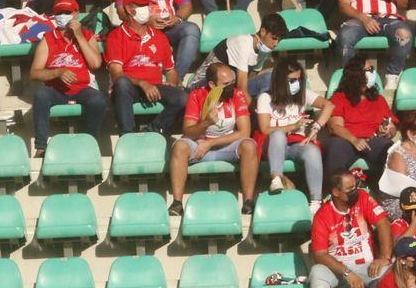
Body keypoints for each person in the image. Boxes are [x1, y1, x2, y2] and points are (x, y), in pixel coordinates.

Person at [170, 62, 259, 215]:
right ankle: (177, 203)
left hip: (226, 144)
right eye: (226, 84)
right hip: (198, 144)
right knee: (179, 147)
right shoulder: (197, 95)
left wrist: (210, 143)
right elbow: (188, 131)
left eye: (232, 81)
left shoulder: (237, 95)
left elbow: (244, 132)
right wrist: (205, 123)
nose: (231, 86)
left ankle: (248, 202)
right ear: (212, 84)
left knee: (249, 145)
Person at [29, 0, 105, 158]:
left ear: (76, 14)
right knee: (41, 95)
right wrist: (57, 72)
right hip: (56, 89)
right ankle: (41, 147)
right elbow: (35, 72)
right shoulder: (49, 39)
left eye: (67, 12)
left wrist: (79, 36)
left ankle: (90, 141)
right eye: (59, 13)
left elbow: (96, 63)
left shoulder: (87, 35)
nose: (63, 16)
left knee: (97, 100)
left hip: (82, 87)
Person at [106, 0, 189, 138]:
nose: (147, 9)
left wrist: (171, 81)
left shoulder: (160, 37)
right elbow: (116, 74)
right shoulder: (115, 36)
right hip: (130, 88)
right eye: (141, 5)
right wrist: (142, 83)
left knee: (183, 98)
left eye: (147, 5)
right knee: (122, 83)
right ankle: (127, 136)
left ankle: (154, 129)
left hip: (155, 86)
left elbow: (170, 70)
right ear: (129, 9)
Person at [257, 56, 331, 206]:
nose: (296, 83)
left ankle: (316, 201)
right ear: (280, 81)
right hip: (272, 146)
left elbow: (329, 106)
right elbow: (265, 129)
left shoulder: (302, 94)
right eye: (292, 80)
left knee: (312, 151)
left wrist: (315, 128)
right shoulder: (265, 98)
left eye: (299, 79)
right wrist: (292, 127)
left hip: (295, 144)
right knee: (277, 134)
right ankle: (276, 178)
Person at [322, 55, 398, 181]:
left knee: (391, 149)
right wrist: (354, 140)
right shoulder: (339, 98)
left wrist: (388, 130)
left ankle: (388, 194)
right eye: (369, 70)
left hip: (373, 140)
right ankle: (333, 192)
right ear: (356, 75)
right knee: (335, 147)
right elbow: (334, 127)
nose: (373, 72)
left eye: (372, 69)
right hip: (346, 141)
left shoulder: (379, 99)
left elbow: (393, 128)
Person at [192, 12, 285, 99]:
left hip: (229, 86)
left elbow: (253, 77)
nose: (275, 44)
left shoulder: (264, 49)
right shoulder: (243, 44)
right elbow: (241, 89)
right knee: (233, 77)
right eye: (274, 38)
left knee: (272, 76)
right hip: (203, 86)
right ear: (263, 32)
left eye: (278, 40)